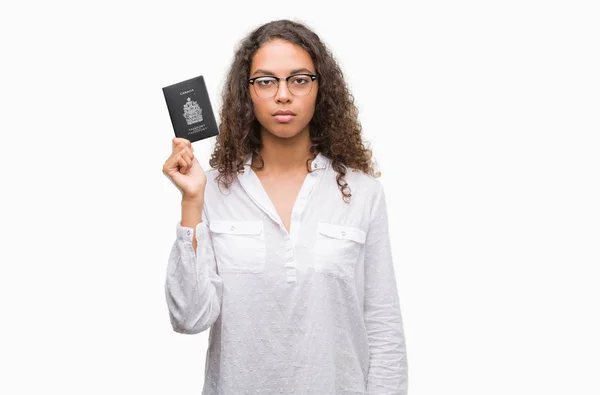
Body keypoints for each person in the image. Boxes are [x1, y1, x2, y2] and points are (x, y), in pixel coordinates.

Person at [162, 19, 408, 395]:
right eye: (265, 80)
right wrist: (192, 200)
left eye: (299, 79)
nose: (283, 94)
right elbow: (190, 318)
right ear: (247, 93)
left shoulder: (362, 192)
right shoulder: (211, 188)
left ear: (320, 89)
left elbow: (382, 323)